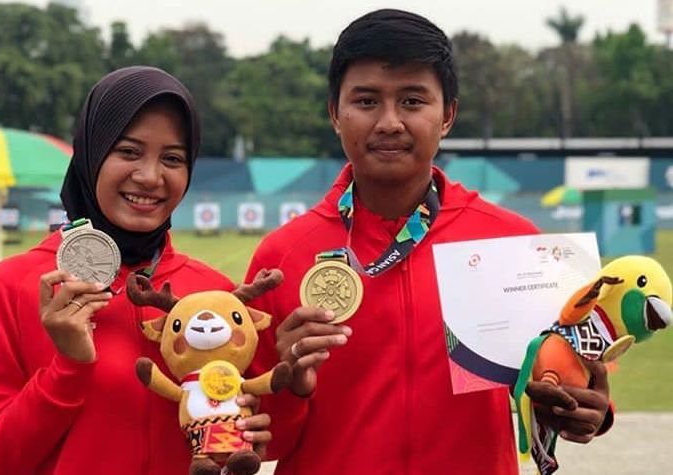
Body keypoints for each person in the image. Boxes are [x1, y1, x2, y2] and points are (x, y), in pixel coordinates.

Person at [244, 9, 611, 475]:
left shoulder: (516, 244)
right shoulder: (281, 257)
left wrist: (587, 409)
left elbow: (569, 384)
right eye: (367, 100)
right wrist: (292, 385)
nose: (390, 122)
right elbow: (262, 442)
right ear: (336, 113)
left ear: (448, 115)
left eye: (413, 101)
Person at [0, 66, 273, 475]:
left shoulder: (214, 294)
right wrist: (67, 369)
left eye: (172, 158)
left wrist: (244, 434)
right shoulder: (12, 285)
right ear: (91, 153)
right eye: (128, 151)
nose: (149, 177)